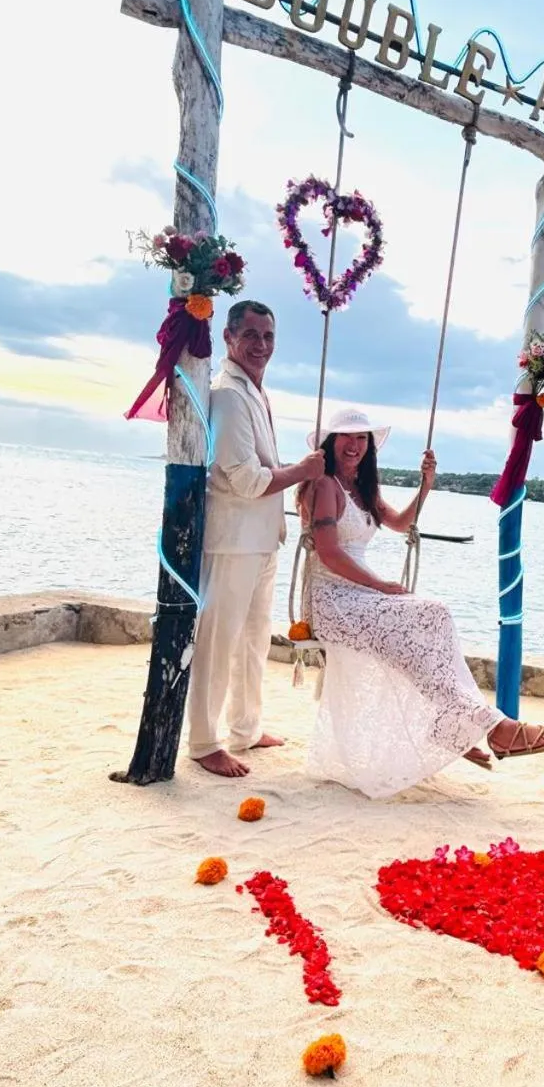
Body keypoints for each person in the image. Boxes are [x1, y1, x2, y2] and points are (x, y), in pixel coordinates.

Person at [297, 407, 544, 799]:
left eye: (361, 438)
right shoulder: (324, 485)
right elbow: (329, 552)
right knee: (426, 616)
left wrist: (425, 486)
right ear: (330, 442)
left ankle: (459, 722)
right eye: (346, 437)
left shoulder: (360, 487)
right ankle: (490, 727)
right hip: (331, 599)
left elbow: (401, 523)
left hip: (358, 593)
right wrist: (382, 585)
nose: (354, 445)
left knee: (435, 617)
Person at [186, 300, 324, 778]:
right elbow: (245, 479)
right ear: (228, 337)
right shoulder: (226, 393)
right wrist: (302, 471)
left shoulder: (255, 392)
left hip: (263, 537)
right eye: (250, 335)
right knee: (217, 642)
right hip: (232, 539)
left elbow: (262, 470)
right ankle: (204, 741)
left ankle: (244, 728)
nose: (261, 345)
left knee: (252, 642)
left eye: (268, 335)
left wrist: (298, 479)